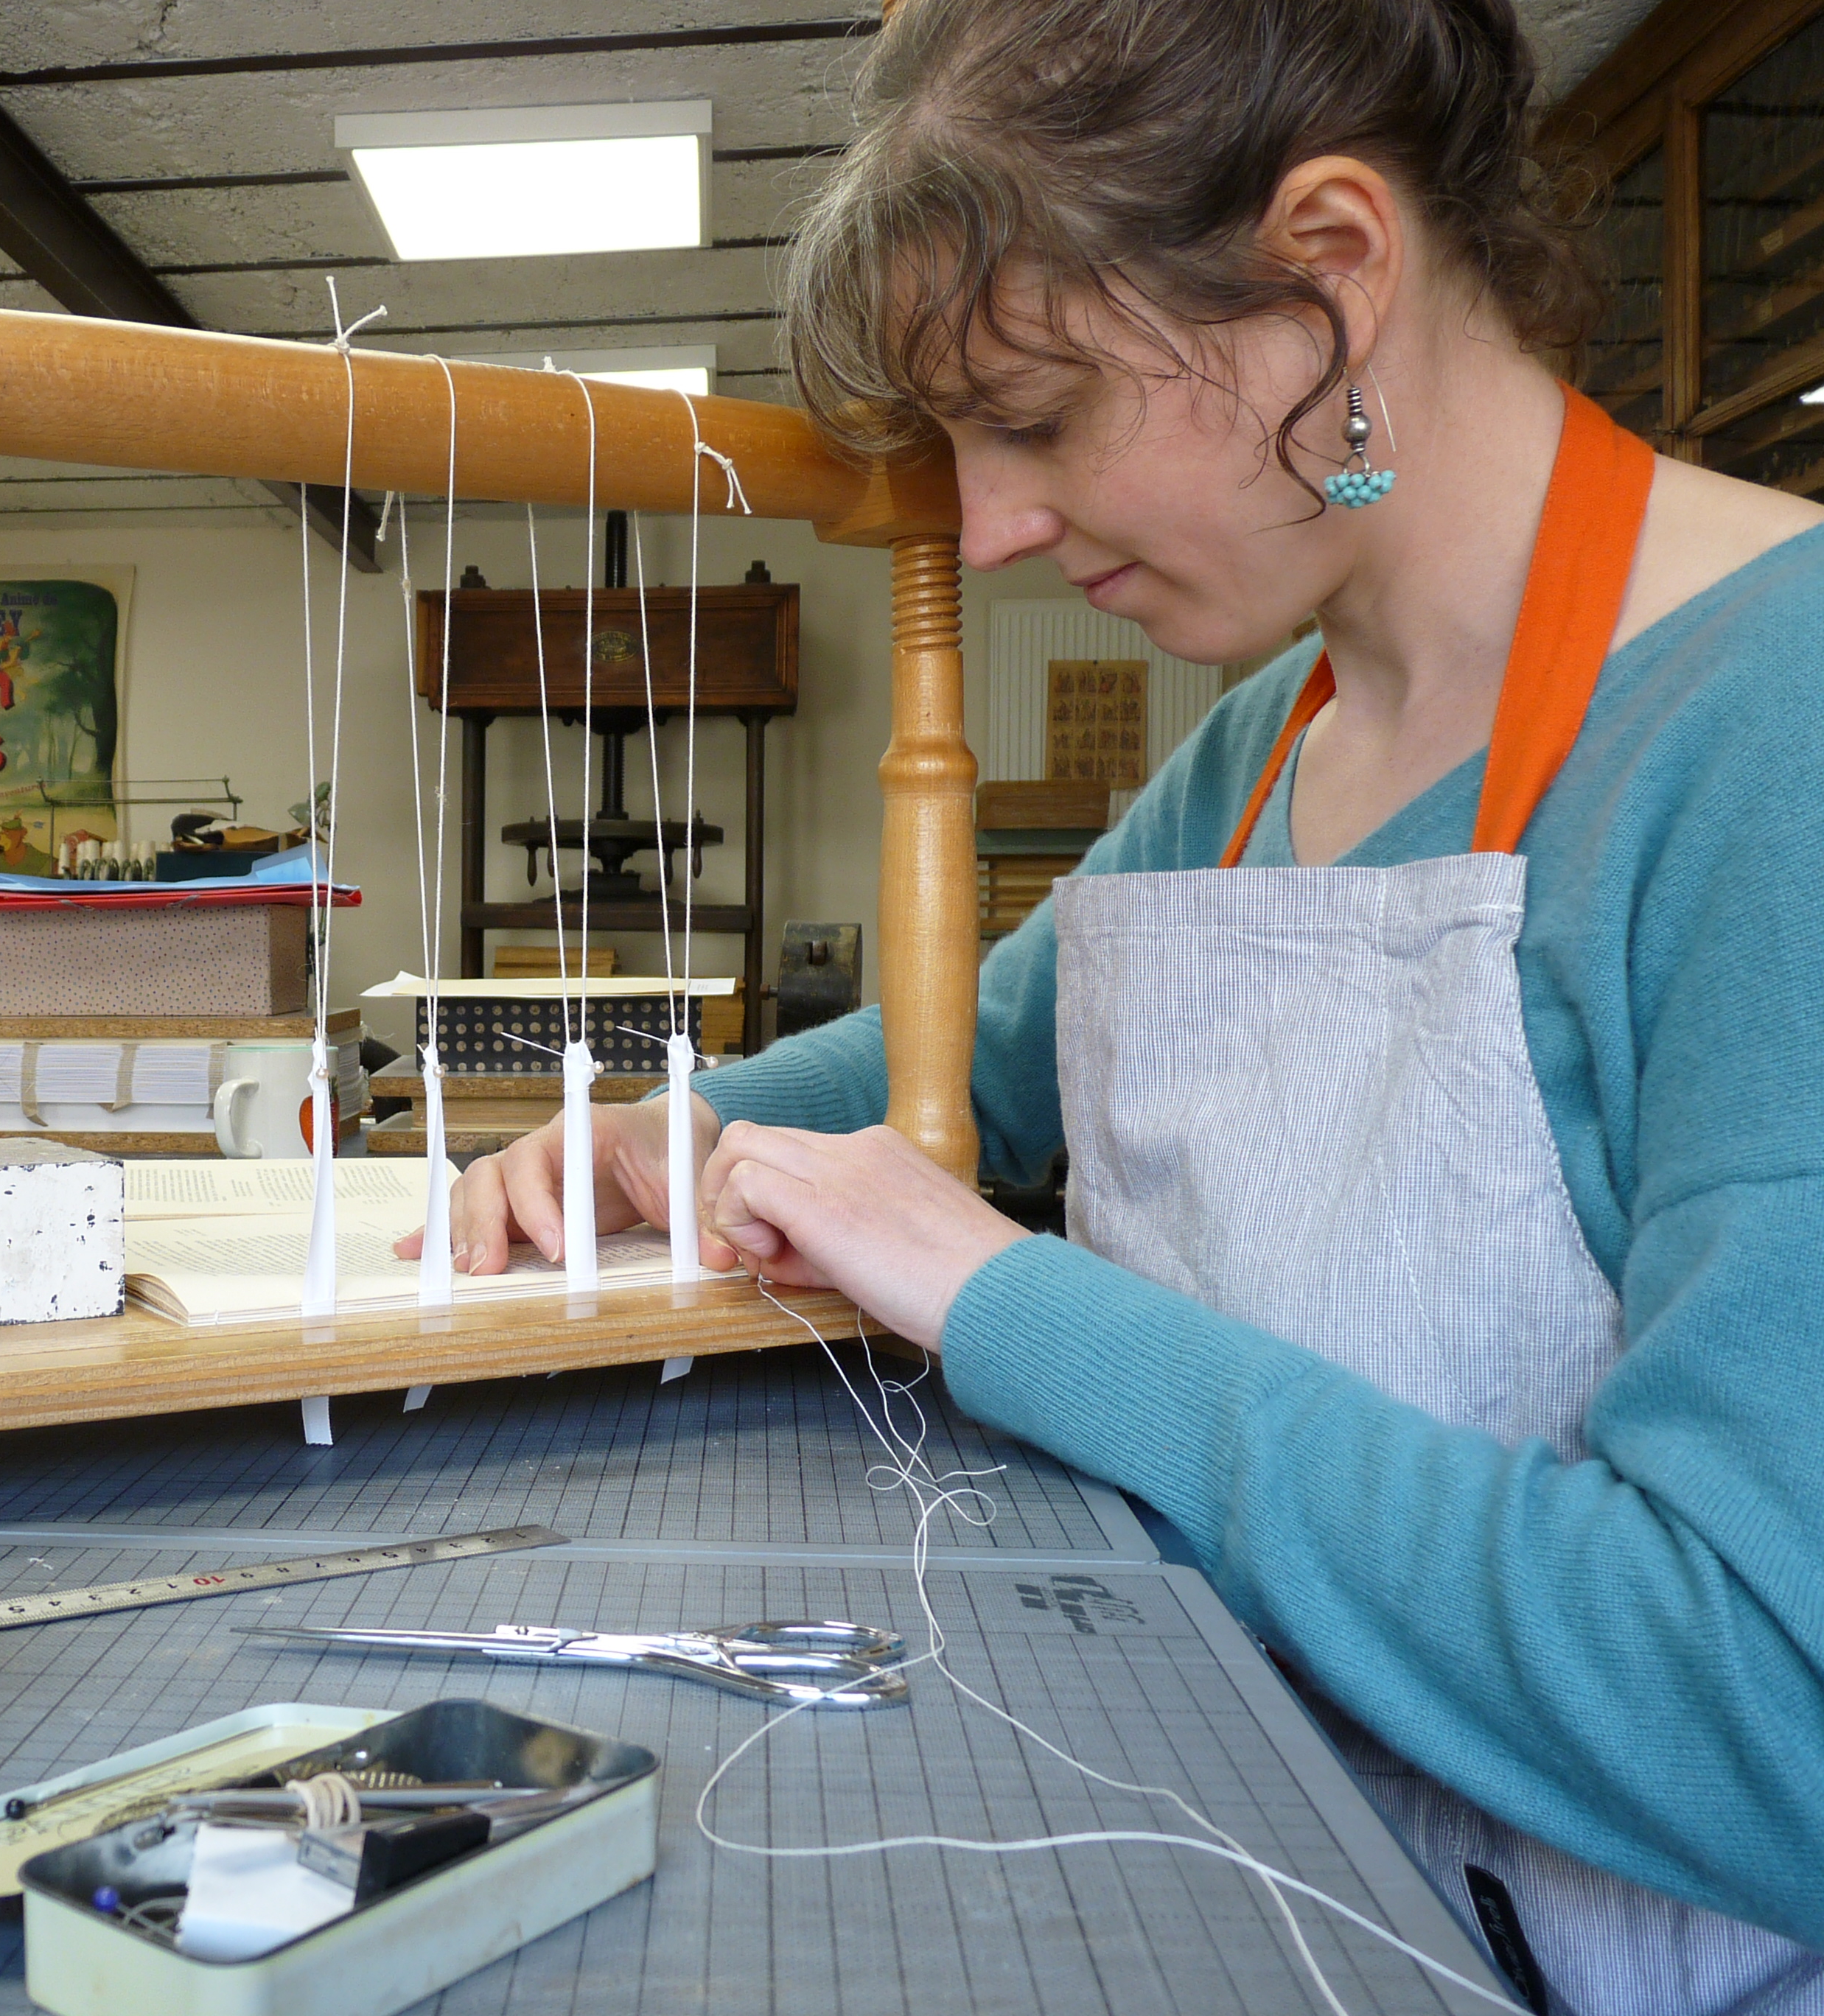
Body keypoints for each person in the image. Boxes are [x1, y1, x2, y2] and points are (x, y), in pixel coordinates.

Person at [405, 1, 1824, 2008]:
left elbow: (1775, 1728)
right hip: (1248, 1885)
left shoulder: (1780, 730)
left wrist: (1017, 1305)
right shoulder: (1260, 749)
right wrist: (669, 1132)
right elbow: (967, 1058)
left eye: (1040, 416)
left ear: (1330, 270)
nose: (986, 531)